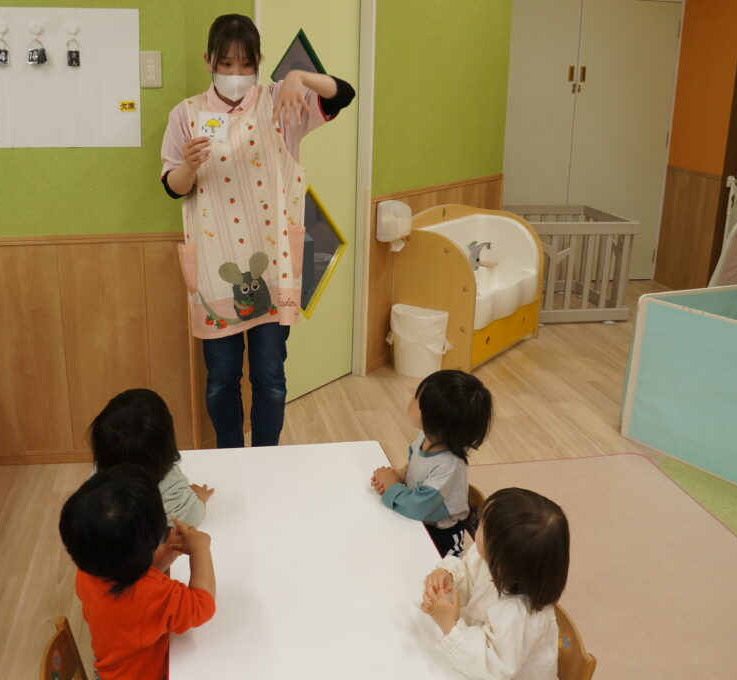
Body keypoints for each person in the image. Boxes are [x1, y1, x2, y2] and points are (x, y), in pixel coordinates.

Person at [160, 13, 355, 448]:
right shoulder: (186, 114)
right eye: (226, 63)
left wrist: (299, 77)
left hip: (273, 267)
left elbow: (344, 93)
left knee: (270, 376)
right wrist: (188, 166)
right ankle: (230, 456)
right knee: (221, 378)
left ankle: (267, 458)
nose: (236, 74)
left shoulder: (280, 103)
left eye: (246, 64)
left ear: (258, 63)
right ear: (208, 60)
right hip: (216, 270)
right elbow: (173, 188)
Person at [60, 464, 216, 680]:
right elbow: (202, 606)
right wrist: (200, 549)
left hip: (109, 672)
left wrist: (168, 551)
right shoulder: (152, 594)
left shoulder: (87, 573)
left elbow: (134, 573)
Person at [420, 487, 570, 680]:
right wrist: (448, 576)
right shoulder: (492, 562)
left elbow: (491, 669)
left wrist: (450, 625)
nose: (477, 525)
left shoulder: (518, 615)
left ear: (501, 555)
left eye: (482, 525)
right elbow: (468, 573)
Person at [371, 370, 493, 557]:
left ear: (433, 419)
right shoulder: (427, 436)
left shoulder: (447, 466)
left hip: (440, 537)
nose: (411, 399)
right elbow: (415, 464)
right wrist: (399, 476)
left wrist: (392, 487)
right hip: (419, 514)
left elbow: (417, 508)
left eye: (416, 399)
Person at [90, 388, 213, 527]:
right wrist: (200, 497)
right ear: (166, 444)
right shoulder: (172, 493)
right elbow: (193, 516)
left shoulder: (96, 486)